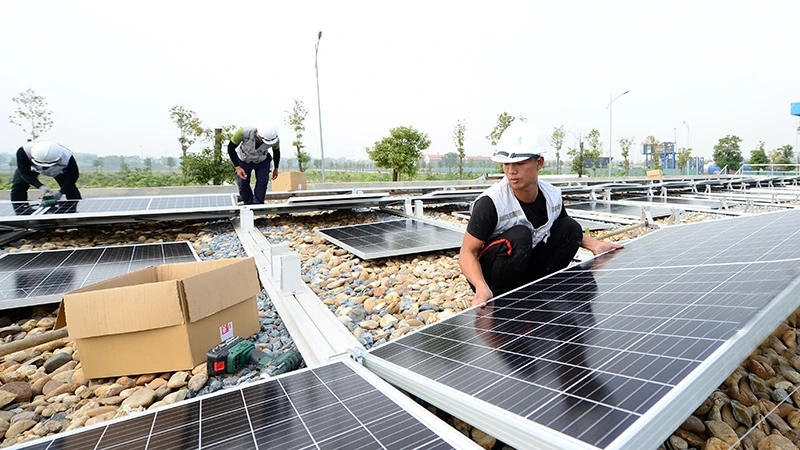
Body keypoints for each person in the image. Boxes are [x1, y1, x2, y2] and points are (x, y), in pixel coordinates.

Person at [459, 120, 623, 308]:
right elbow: (467, 252)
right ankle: (505, 299)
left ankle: (541, 287)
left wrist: (596, 245)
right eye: (506, 164)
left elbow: (564, 226)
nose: (511, 171)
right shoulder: (491, 202)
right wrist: (481, 287)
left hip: (525, 265)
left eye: (520, 163)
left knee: (570, 227)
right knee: (519, 235)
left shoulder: (552, 196)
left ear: (539, 162)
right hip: (492, 276)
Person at [227, 121, 281, 205]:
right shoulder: (243, 132)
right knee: (242, 182)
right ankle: (248, 205)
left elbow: (276, 152)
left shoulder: (274, 139)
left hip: (262, 160)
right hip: (244, 159)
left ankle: (258, 205)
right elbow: (230, 148)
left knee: (262, 181)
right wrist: (237, 167)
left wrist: (276, 168)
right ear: (259, 135)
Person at [11, 140, 82, 203]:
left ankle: (74, 214)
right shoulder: (24, 151)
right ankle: (20, 214)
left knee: (70, 188)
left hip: (57, 169)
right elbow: (24, 172)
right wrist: (40, 186)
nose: (44, 168)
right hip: (32, 167)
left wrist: (61, 192)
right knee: (18, 185)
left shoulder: (67, 157)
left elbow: (73, 176)